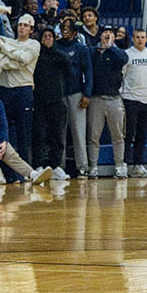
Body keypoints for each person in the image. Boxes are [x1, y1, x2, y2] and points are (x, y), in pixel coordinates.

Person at [0, 13, 40, 165]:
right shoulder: (9, 42)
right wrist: (15, 59)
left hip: (23, 90)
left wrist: (4, 49)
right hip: (5, 90)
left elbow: (24, 60)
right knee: (4, 131)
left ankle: (25, 168)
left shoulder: (33, 44)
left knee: (24, 132)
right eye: (20, 25)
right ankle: (7, 168)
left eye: (25, 25)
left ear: (31, 29)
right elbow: (1, 61)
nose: (22, 28)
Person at [87, 26, 128, 178]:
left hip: (114, 99)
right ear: (100, 35)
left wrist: (111, 46)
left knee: (118, 135)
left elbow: (124, 60)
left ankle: (119, 166)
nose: (108, 34)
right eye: (105, 32)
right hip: (96, 99)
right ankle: (93, 167)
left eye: (111, 33)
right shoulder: (92, 52)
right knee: (93, 136)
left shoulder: (118, 53)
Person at [121, 28, 147, 178]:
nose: (140, 40)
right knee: (129, 133)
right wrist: (120, 95)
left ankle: (138, 165)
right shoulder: (127, 54)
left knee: (142, 135)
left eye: (143, 37)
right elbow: (121, 76)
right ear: (132, 38)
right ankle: (125, 164)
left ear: (146, 38)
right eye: (137, 37)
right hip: (130, 99)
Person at [56, 17, 93, 178]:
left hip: (76, 94)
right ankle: (59, 166)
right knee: (59, 133)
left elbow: (88, 72)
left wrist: (87, 93)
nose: (65, 30)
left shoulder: (81, 49)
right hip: (58, 95)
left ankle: (83, 167)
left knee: (79, 132)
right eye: (63, 26)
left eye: (68, 27)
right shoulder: (55, 47)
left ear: (75, 32)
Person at [33, 28, 70, 180]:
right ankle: (38, 165)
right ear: (40, 39)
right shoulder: (36, 56)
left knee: (58, 136)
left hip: (57, 101)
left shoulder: (60, 56)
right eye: (45, 36)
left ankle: (56, 167)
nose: (47, 38)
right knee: (39, 135)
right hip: (40, 101)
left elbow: (69, 70)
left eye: (50, 36)